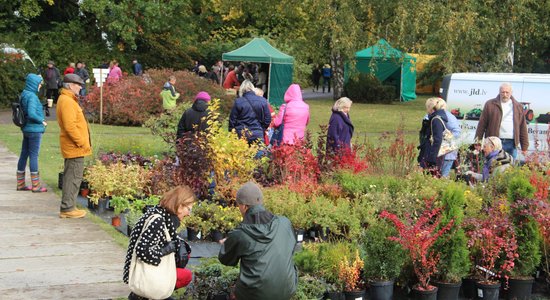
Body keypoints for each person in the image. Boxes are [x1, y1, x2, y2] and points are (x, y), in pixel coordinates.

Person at [218, 181, 297, 300]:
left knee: (235, 294)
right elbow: (291, 247)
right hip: (288, 289)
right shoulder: (284, 223)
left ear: (244, 206)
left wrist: (227, 243)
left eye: (238, 205)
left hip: (254, 295)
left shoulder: (240, 233)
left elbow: (226, 259)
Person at [124, 185, 196, 300]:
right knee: (185, 276)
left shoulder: (162, 214)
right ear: (180, 206)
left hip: (150, 271)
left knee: (184, 271)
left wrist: (180, 245)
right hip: (148, 273)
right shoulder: (158, 220)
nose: (189, 214)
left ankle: (143, 295)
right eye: (189, 209)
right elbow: (142, 251)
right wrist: (166, 249)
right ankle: (146, 294)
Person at [56, 74, 91, 219]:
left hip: (74, 147)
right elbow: (70, 127)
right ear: (70, 85)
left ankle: (69, 206)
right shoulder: (67, 101)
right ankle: (68, 208)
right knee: (73, 177)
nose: (81, 87)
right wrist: (81, 142)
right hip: (75, 147)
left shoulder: (68, 99)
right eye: (78, 84)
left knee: (73, 177)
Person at [475, 82, 528, 159]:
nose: (505, 94)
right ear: (499, 92)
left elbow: (522, 126)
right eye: (503, 92)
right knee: (492, 166)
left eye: (507, 92)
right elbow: (482, 125)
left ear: (511, 93)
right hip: (494, 142)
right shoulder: (490, 104)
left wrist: (524, 146)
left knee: (510, 168)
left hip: (511, 143)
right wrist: (478, 142)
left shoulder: (518, 106)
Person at [16, 74, 48, 192]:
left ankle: (20, 184)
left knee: (24, 154)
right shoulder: (32, 97)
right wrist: (42, 121)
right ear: (34, 84)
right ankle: (36, 186)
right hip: (34, 130)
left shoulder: (24, 94)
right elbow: (32, 113)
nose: (40, 86)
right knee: (34, 156)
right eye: (39, 83)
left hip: (26, 129)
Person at [228, 80, 271, 145]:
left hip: (242, 133)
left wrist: (232, 132)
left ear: (241, 90)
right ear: (252, 88)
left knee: (242, 154)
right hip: (257, 133)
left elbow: (232, 120)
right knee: (258, 154)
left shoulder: (238, 102)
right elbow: (268, 119)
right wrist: (262, 129)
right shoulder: (262, 101)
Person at [419, 97, 449, 174]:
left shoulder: (435, 120)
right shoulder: (440, 118)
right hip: (436, 154)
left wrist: (431, 159)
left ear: (431, 108)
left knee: (429, 176)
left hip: (432, 155)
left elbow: (437, 140)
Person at [438, 100, 461, 177]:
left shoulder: (449, 117)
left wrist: (443, 139)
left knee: (443, 176)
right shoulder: (430, 115)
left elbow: (457, 132)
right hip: (436, 152)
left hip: (447, 153)